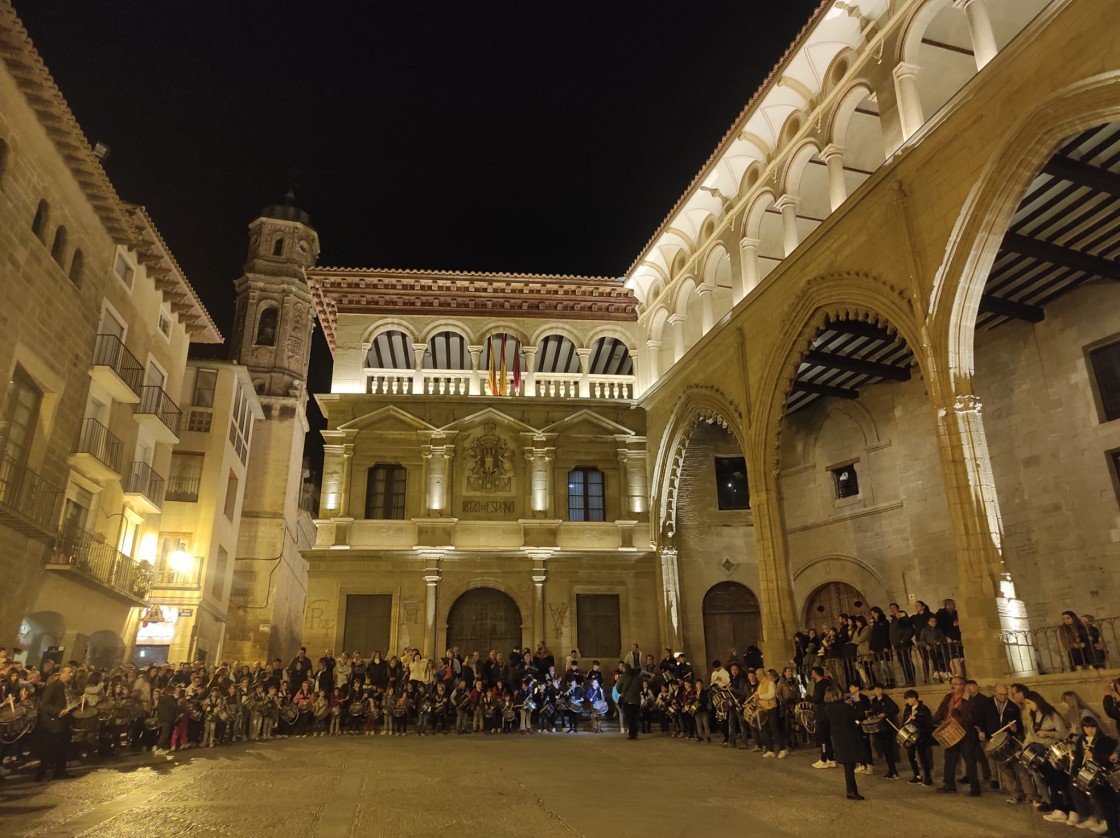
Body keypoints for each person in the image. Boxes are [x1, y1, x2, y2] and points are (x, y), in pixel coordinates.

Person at [932, 676, 984, 797]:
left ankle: (975, 788)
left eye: (956, 683)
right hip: (951, 733)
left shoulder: (968, 699)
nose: (953, 686)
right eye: (952, 683)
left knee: (970, 761)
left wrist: (959, 714)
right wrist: (938, 721)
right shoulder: (948, 697)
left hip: (965, 734)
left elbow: (973, 717)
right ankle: (949, 785)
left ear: (963, 686)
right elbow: (940, 712)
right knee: (949, 760)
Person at [821, 684, 867, 800]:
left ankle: (851, 790)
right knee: (850, 764)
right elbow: (860, 715)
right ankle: (851, 791)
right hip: (850, 736)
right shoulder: (844, 707)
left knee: (848, 764)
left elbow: (825, 725)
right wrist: (857, 702)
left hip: (837, 738)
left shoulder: (827, 709)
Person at [36, 665, 76, 781]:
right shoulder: (53, 687)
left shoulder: (68, 686)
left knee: (63, 748)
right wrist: (58, 711)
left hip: (66, 720)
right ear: (61, 674)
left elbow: (69, 699)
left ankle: (60, 771)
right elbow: (44, 704)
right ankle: (41, 774)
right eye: (69, 673)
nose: (71, 675)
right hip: (55, 722)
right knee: (49, 748)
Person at [901, 689, 934, 785]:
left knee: (923, 756)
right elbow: (904, 720)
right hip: (910, 735)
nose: (907, 701)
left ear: (914, 698)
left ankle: (927, 777)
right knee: (911, 755)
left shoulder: (923, 709)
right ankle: (917, 775)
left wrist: (917, 719)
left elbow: (928, 722)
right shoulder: (907, 709)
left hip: (921, 735)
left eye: (908, 699)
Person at [869, 683, 899, 779]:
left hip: (887, 727)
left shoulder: (886, 699)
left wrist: (885, 714)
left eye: (879, 689)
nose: (877, 692)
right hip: (878, 727)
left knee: (888, 749)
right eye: (875, 690)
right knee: (884, 750)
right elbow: (872, 711)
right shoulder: (874, 700)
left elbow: (895, 709)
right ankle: (891, 770)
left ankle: (893, 770)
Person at [809, 667, 836, 769]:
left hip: (822, 714)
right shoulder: (827, 683)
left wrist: (807, 697)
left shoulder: (822, 685)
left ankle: (824, 759)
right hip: (825, 713)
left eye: (812, 673)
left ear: (816, 674)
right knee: (827, 737)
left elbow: (816, 698)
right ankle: (830, 758)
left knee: (823, 738)